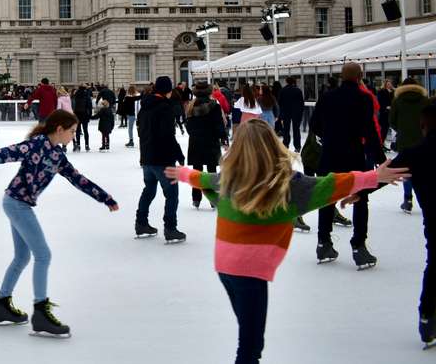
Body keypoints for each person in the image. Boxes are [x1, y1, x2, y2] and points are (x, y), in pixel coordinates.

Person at [165, 120, 407, 363]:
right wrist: (374, 176)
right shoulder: (289, 186)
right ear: (273, 145)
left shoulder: (230, 177)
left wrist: (183, 173)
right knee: (250, 346)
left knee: (248, 335)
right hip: (250, 274)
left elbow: (203, 179)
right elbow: (332, 184)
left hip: (225, 267)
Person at [0, 109, 118, 337]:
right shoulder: (37, 144)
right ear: (59, 129)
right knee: (43, 255)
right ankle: (41, 312)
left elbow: (78, 179)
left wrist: (104, 197)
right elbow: (12, 151)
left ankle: (2, 304)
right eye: (72, 131)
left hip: (17, 203)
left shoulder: (57, 156)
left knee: (23, 257)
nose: (74, 136)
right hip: (17, 204)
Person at [309, 62, 386, 267]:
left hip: (329, 155)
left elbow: (314, 125)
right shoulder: (363, 99)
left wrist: (329, 136)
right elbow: (369, 131)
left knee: (327, 198)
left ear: (341, 76)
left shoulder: (326, 97)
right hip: (353, 156)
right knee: (360, 199)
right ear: (360, 77)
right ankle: (359, 246)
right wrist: (380, 158)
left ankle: (323, 242)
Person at [385, 103, 436, 346]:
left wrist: (359, 193)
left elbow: (385, 174)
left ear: (424, 125)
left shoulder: (416, 154)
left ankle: (427, 316)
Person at [134, 76, 186, 242]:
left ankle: (141, 223)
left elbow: (140, 131)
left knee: (149, 189)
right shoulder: (165, 108)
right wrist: (178, 154)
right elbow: (167, 135)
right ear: (168, 91)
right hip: (162, 158)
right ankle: (170, 228)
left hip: (147, 156)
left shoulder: (145, 107)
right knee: (172, 193)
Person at [389, 77, 431, 213]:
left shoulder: (398, 101)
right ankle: (426, 199)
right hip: (423, 140)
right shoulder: (425, 101)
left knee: (406, 170)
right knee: (424, 169)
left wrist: (401, 129)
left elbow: (392, 120)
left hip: (404, 140)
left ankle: (407, 199)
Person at [184, 81, 227, 210]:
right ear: (209, 92)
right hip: (210, 141)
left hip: (196, 141)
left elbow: (188, 126)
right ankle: (213, 199)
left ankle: (196, 198)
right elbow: (219, 124)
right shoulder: (214, 106)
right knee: (212, 171)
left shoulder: (191, 106)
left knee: (197, 171)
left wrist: (194, 134)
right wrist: (224, 138)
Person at [278, 77, 304, 152]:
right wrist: (300, 112)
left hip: (286, 112)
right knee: (296, 129)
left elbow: (280, 102)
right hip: (296, 112)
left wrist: (281, 113)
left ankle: (286, 144)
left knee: (286, 129)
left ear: (286, 82)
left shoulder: (283, 90)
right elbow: (301, 103)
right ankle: (297, 146)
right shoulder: (298, 90)